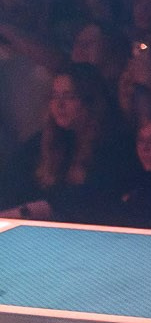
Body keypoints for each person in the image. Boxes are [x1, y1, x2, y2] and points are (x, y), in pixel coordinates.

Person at [1, 68, 137, 222]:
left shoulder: (116, 146)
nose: (59, 104)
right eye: (54, 96)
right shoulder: (42, 142)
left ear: (90, 101)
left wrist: (32, 211)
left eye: (69, 97)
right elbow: (10, 183)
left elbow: (94, 202)